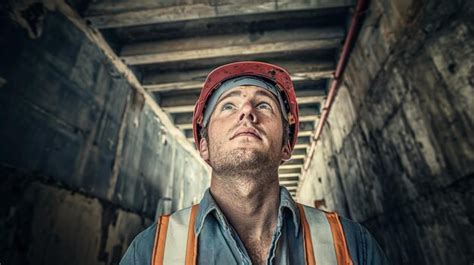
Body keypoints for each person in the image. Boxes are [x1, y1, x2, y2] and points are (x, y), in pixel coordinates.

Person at [119, 61, 389, 265]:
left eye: (263, 106)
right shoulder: (149, 252)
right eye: (228, 106)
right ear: (204, 146)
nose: (247, 111)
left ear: (286, 145)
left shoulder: (353, 245)